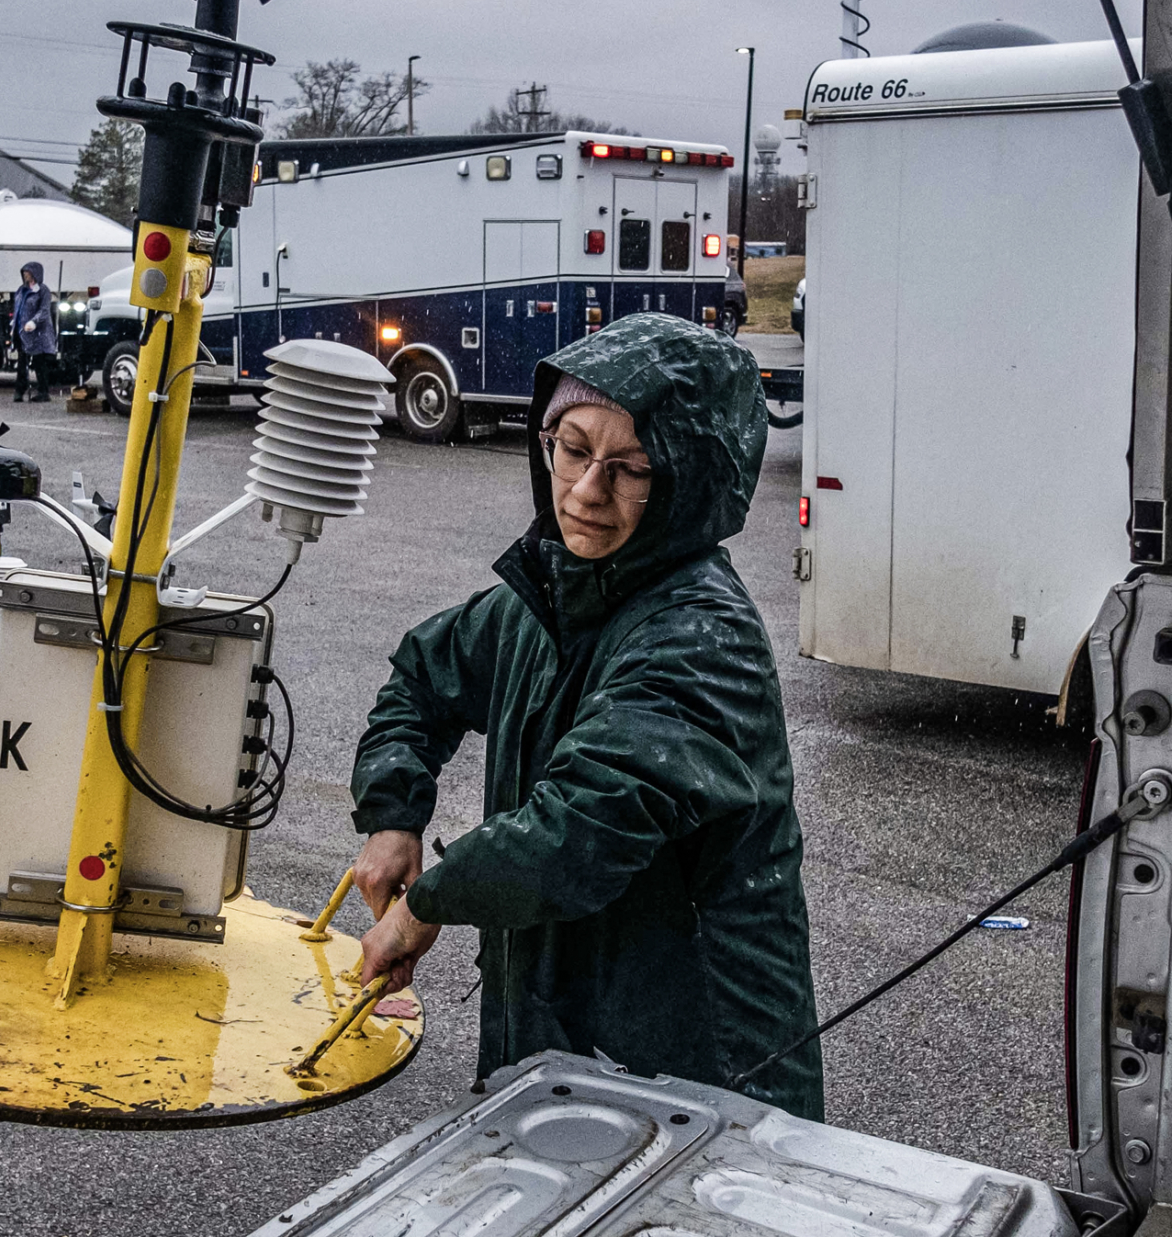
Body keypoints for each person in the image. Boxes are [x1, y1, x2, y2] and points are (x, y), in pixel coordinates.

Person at [347, 312, 822, 1116]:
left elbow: (573, 836)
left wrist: (423, 908)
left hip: (703, 1070)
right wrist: (393, 813)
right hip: (563, 1038)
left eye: (630, 467)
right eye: (571, 449)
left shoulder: (704, 638)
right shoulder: (550, 594)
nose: (585, 491)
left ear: (688, 481)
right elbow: (423, 675)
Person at [12, 259, 58, 402]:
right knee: (21, 361)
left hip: (38, 333)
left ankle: (43, 392)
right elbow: (18, 309)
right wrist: (14, 324)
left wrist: (34, 321)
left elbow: (44, 311)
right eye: (24, 273)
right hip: (22, 332)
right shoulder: (21, 290)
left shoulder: (43, 290)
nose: (25, 275)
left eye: (28, 272)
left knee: (39, 362)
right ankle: (20, 389)